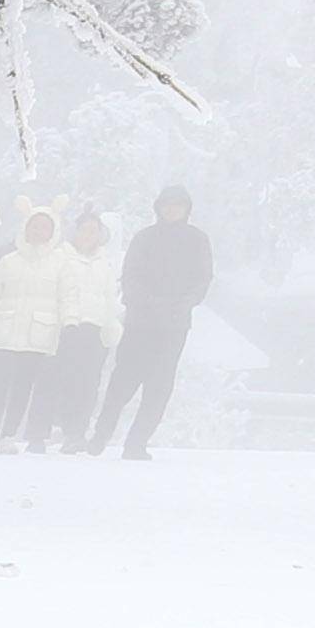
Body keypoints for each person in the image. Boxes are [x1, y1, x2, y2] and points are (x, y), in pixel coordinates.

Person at [91, 188, 216, 458]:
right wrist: (146, 302)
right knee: (122, 382)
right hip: (140, 323)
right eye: (167, 205)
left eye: (178, 205)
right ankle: (99, 437)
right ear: (158, 208)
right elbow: (130, 276)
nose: (172, 210)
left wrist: (182, 305)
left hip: (174, 326)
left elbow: (202, 278)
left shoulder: (197, 240)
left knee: (159, 388)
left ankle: (136, 443)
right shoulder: (144, 238)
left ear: (186, 209)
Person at [0, 210, 67, 452]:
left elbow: (68, 297)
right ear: (25, 228)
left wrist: (70, 323)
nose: (38, 232)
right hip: (4, 333)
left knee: (22, 388)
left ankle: (8, 436)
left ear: (53, 233)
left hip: (37, 337)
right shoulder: (8, 261)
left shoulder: (60, 264)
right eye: (34, 226)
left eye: (44, 227)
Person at [39, 205, 122, 453]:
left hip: (95, 331)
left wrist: (111, 326)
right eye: (84, 230)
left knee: (89, 384)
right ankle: (58, 428)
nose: (89, 235)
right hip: (68, 328)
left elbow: (109, 297)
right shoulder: (61, 257)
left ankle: (77, 432)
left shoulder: (104, 263)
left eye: (94, 231)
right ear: (74, 232)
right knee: (64, 380)